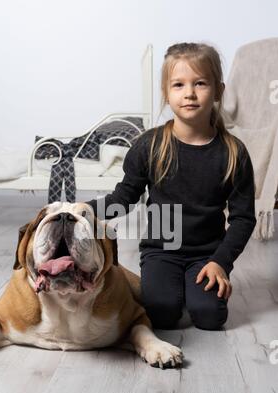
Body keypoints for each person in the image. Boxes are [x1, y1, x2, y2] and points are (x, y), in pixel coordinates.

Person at [85, 42, 256, 331]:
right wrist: (84, 210)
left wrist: (220, 263)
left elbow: (243, 218)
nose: (189, 93)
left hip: (207, 253)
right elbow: (124, 197)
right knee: (161, 314)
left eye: (200, 83)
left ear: (218, 89)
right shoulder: (150, 146)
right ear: (166, 92)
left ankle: (196, 289)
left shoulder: (233, 152)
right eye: (178, 84)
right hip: (162, 249)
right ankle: (169, 288)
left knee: (209, 317)